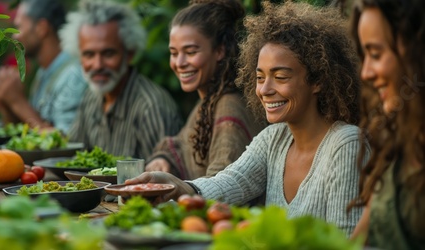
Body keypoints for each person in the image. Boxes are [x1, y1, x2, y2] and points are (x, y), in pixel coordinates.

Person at [126, 1, 369, 236]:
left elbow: (345, 240)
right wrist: (174, 185)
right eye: (260, 77)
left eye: (281, 77)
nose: (264, 90)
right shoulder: (274, 138)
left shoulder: (345, 145)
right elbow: (231, 182)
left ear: (318, 80)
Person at [144, 0, 263, 179]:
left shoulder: (228, 109)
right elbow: (181, 146)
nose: (180, 63)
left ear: (220, 51)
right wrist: (163, 160)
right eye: (174, 53)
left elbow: (222, 188)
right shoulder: (209, 100)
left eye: (191, 52)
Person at [60, 0, 183, 159]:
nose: (97, 65)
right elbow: (73, 158)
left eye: (108, 53)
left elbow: (163, 178)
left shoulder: (150, 107)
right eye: (89, 54)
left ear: (129, 54)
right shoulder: (91, 98)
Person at [347, 0, 425, 248]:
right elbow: (359, 240)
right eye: (364, 55)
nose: (365, 73)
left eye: (376, 54)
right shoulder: (400, 140)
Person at [0, 0, 87, 133]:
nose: (14, 36)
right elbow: (27, 133)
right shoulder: (44, 72)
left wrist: (17, 102)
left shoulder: (73, 74)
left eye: (19, 27)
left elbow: (67, 141)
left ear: (42, 28)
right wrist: (7, 103)